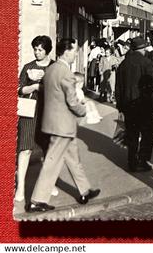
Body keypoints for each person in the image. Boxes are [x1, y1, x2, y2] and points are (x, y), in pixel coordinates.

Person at [27, 38, 100, 212]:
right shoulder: (66, 73)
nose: (76, 54)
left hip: (56, 124)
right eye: (74, 50)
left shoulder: (51, 69)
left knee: (73, 159)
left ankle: (84, 191)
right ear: (67, 51)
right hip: (62, 125)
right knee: (52, 162)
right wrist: (86, 109)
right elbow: (72, 101)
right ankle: (37, 200)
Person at [15, 35, 54, 203]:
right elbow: (18, 89)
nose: (37, 53)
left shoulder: (54, 67)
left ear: (47, 50)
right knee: (25, 149)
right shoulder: (28, 67)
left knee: (49, 151)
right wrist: (33, 85)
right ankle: (21, 189)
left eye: (40, 50)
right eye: (35, 49)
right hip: (29, 112)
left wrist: (43, 84)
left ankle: (48, 185)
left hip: (48, 112)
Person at [115, 36, 153, 172]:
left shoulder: (123, 64)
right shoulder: (147, 63)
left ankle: (132, 161)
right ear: (143, 48)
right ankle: (143, 160)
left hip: (128, 105)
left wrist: (120, 105)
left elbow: (118, 87)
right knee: (149, 132)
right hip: (144, 105)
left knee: (132, 133)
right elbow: (151, 87)